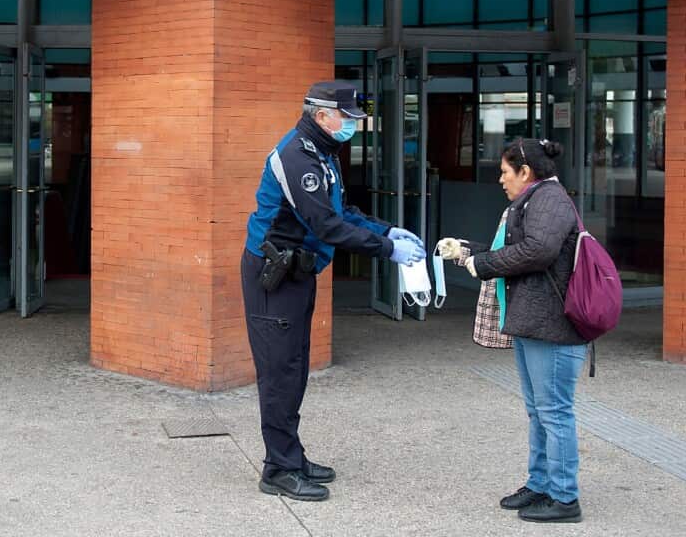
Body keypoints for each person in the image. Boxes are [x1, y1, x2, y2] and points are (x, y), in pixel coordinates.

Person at [242, 80, 424, 501]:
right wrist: (387, 249)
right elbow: (327, 226)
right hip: (274, 274)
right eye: (348, 118)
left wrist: (385, 229)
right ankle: (278, 469)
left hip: (298, 272)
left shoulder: (323, 152)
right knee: (279, 372)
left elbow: (342, 212)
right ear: (321, 115)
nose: (353, 126)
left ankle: (291, 456)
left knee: (296, 367)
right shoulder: (296, 157)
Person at [436, 138, 586, 523]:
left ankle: (565, 498)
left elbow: (538, 251)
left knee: (554, 413)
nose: (501, 179)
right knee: (539, 412)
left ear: (526, 171)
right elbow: (518, 251)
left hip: (552, 328)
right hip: (533, 323)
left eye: (505, 171)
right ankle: (540, 485)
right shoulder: (532, 201)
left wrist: (483, 266)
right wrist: (468, 252)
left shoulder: (549, 199)